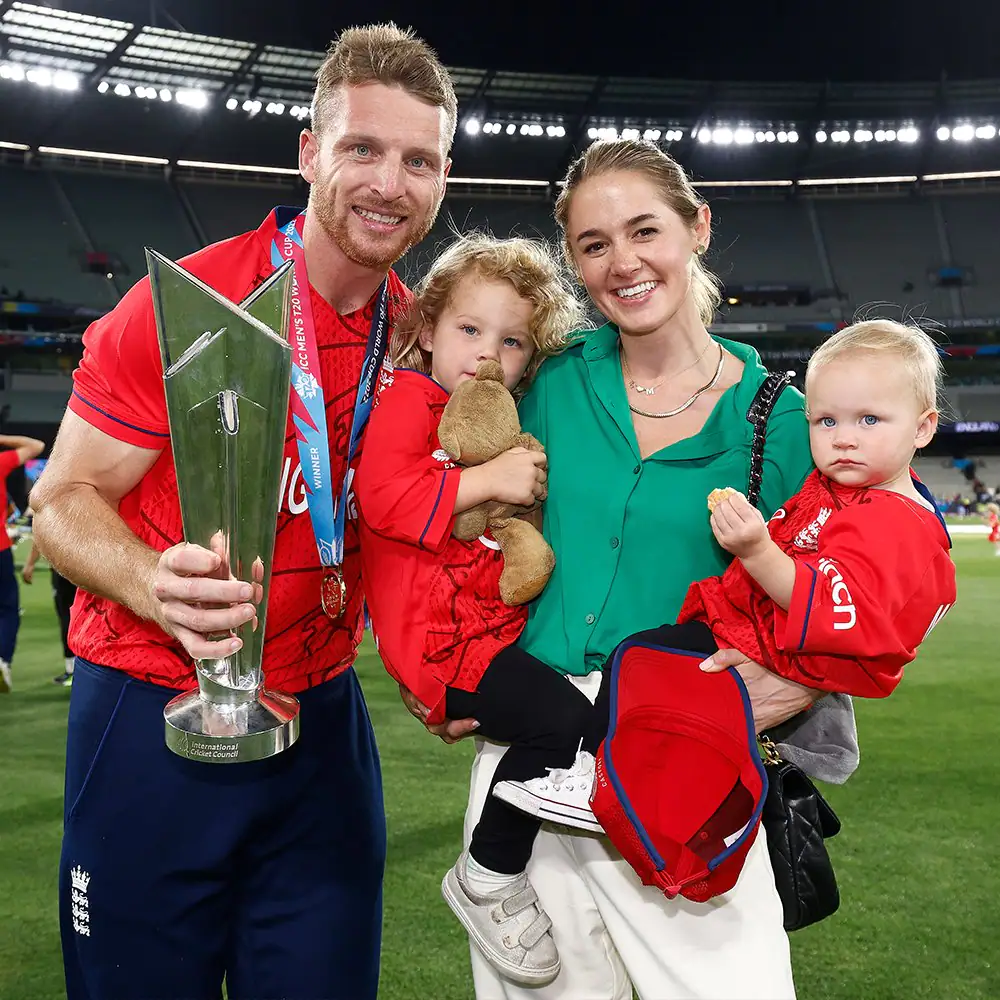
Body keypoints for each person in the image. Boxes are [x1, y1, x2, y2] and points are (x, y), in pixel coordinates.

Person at [29, 23, 455, 1000]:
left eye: (418, 160)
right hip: (153, 709)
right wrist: (148, 579)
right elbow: (61, 500)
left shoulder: (422, 335)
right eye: (362, 148)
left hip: (324, 725)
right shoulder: (183, 305)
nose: (390, 183)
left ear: (441, 176)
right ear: (309, 151)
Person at [400, 138, 826, 1000]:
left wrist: (797, 683)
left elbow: (851, 585)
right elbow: (426, 494)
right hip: (530, 744)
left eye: (645, 230)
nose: (623, 262)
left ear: (697, 227)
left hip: (679, 753)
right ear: (574, 263)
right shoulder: (541, 378)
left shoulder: (778, 418)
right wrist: (437, 661)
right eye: (594, 244)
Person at [498, 319, 957, 831]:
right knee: (645, 666)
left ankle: (603, 779)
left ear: (922, 427)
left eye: (869, 421)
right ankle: (600, 778)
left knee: (647, 667)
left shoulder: (889, 517)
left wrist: (756, 550)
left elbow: (831, 604)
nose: (844, 439)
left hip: (762, 648)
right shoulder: (852, 491)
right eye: (826, 421)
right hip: (746, 639)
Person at [353, 233, 590, 985]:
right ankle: (489, 872)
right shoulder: (409, 400)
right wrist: (490, 480)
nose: (489, 354)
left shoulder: (483, 418)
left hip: (476, 635)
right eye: (469, 329)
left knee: (581, 723)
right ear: (426, 330)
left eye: (512, 340)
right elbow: (383, 500)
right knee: (568, 724)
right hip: (439, 645)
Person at [0, 433, 45, 692]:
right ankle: (3, 660)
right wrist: (3, 439)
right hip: (0, 549)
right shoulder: (2, 462)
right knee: (7, 609)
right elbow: (36, 445)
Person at [22, 534, 78, 686]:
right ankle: (83, 667)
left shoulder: (55, 509)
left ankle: (72, 669)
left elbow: (41, 533)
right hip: (85, 563)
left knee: (66, 615)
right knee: (83, 614)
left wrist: (30, 563)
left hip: (62, 565)